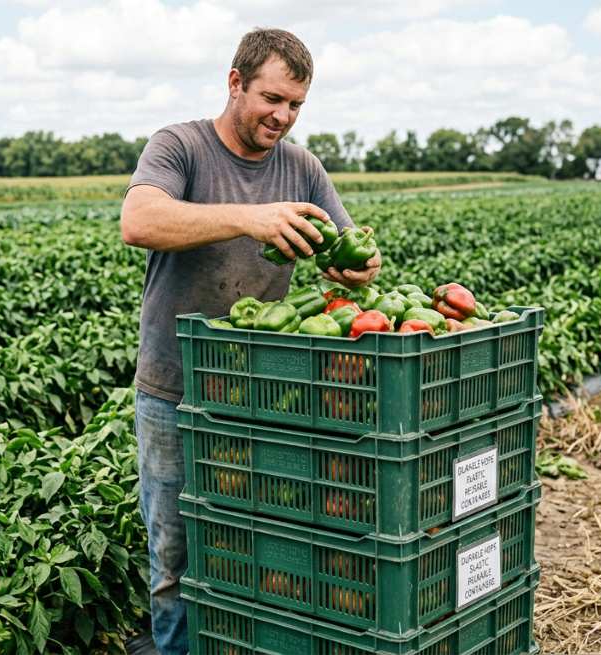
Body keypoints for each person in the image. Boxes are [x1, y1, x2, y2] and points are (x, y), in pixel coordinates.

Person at [119, 27, 381, 654]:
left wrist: (355, 267)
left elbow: (352, 253)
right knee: (177, 556)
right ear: (235, 83)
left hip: (264, 398)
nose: (282, 117)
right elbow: (139, 220)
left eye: (295, 105)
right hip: (176, 388)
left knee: (264, 545)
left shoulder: (302, 168)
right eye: (272, 99)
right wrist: (247, 217)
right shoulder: (180, 146)